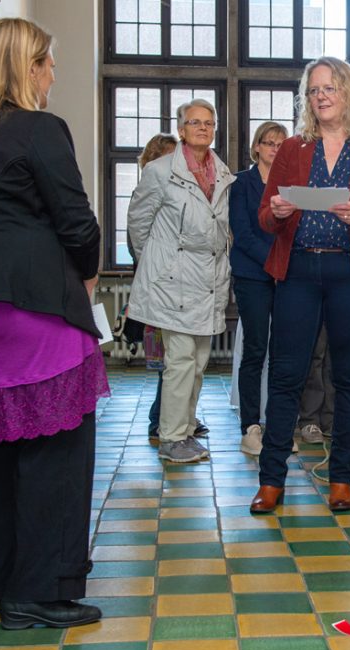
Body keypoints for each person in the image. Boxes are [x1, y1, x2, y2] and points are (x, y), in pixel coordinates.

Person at [0, 18, 107, 629]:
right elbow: (78, 224)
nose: (53, 73)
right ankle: (38, 593)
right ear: (26, 67)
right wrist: (87, 274)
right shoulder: (40, 130)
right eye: (48, 63)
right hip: (36, 307)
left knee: (4, 448)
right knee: (58, 447)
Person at [251, 56, 350, 514]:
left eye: (330, 88)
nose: (321, 96)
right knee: (286, 375)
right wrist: (275, 213)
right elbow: (263, 215)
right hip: (297, 272)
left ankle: (341, 478)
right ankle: (271, 481)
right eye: (314, 90)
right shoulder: (293, 149)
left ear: (349, 94)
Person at [128, 98, 235, 463]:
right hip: (173, 282)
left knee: (199, 360)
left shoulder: (223, 174)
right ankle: (172, 437)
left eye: (209, 122)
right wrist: (159, 265)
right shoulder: (160, 171)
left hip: (208, 281)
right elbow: (139, 226)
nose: (203, 128)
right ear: (181, 129)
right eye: (195, 122)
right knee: (180, 360)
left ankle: (187, 430)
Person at [230, 121, 288, 455]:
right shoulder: (241, 183)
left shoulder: (292, 186)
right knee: (255, 350)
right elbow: (243, 233)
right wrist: (274, 263)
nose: (275, 149)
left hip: (286, 279)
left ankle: (278, 428)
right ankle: (251, 427)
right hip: (253, 276)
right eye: (269, 143)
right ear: (256, 147)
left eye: (281, 144)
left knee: (284, 353)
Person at [125, 132, 178, 442]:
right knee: (166, 363)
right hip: (156, 290)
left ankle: (176, 415)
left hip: (172, 288)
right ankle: (159, 419)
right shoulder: (146, 190)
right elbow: (139, 242)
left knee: (175, 360)